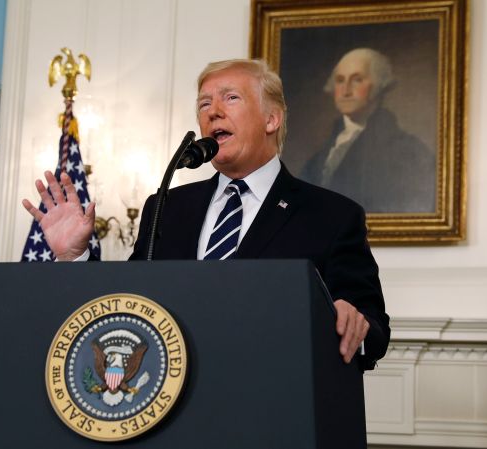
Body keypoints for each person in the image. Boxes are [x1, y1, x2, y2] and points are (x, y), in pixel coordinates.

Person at [23, 59, 390, 370]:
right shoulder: (166, 207)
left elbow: (374, 333)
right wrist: (74, 257)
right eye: (204, 104)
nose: (213, 111)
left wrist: (352, 321)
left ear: (271, 120)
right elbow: (126, 308)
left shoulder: (331, 215)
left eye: (231, 98)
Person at [301, 48, 436, 213]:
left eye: (357, 80)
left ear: (379, 85)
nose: (346, 90)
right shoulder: (320, 156)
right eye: (340, 80)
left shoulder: (408, 151)